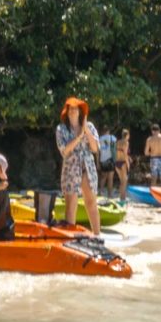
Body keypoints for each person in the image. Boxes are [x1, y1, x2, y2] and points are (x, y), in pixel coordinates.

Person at [55, 97, 101, 235]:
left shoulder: (90, 126)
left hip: (87, 164)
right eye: (70, 108)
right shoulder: (61, 129)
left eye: (75, 108)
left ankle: (97, 235)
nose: (72, 111)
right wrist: (79, 137)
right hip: (71, 165)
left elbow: (95, 148)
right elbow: (64, 150)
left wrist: (85, 130)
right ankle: (70, 237)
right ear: (67, 111)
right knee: (71, 203)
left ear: (80, 111)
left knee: (91, 201)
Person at [98, 127, 117, 197]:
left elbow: (98, 151)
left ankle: (100, 192)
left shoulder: (100, 139)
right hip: (111, 159)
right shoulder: (113, 137)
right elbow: (115, 148)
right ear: (108, 131)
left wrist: (98, 162)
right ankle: (110, 195)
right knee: (110, 178)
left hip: (103, 159)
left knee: (103, 177)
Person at [115, 129, 131, 202]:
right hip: (123, 162)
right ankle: (123, 198)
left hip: (117, 162)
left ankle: (122, 197)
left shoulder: (118, 142)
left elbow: (117, 152)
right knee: (124, 181)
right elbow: (125, 153)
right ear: (127, 135)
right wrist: (128, 164)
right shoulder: (126, 142)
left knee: (122, 181)